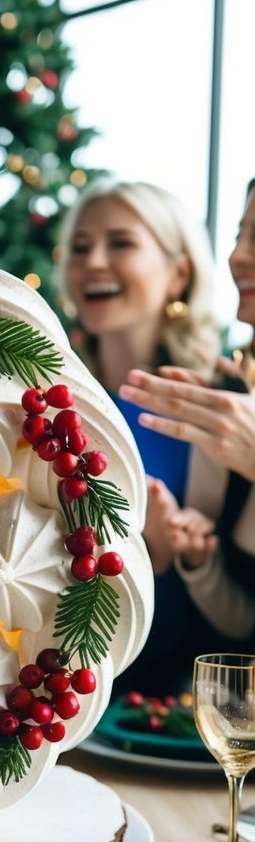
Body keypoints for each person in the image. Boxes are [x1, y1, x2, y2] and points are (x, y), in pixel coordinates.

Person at [57, 179, 222, 694]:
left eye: (121, 243)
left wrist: (167, 563)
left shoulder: (219, 409)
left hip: (163, 706)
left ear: (178, 274)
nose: (94, 261)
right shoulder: (51, 404)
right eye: (80, 247)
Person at [118, 176, 255, 646]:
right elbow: (239, 628)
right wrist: (195, 562)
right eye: (240, 234)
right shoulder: (233, 397)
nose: (237, 256)